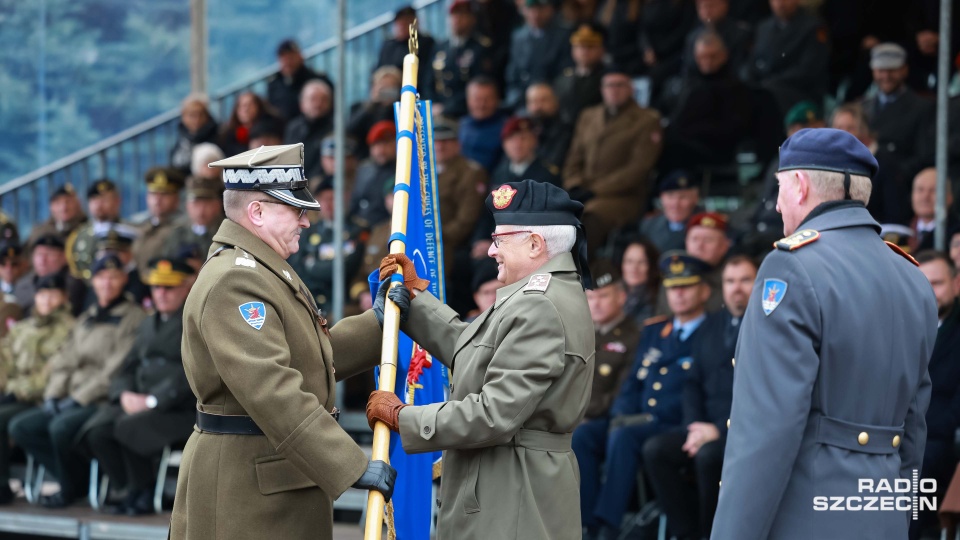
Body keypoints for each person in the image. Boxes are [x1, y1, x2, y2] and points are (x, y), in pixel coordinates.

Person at [712, 128, 939, 539]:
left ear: (799, 186)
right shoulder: (913, 277)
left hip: (805, 519)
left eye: (779, 189)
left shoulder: (791, 267)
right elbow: (914, 429)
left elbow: (766, 431)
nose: (777, 204)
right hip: (883, 518)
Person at [170, 143, 396, 539]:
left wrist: (379, 325)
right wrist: (350, 464)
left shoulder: (261, 269)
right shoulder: (235, 281)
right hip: (248, 494)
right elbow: (272, 389)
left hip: (270, 481)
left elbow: (309, 357)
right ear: (256, 212)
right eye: (295, 210)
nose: (306, 222)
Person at [366, 179, 595, 539]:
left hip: (512, 495)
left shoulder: (540, 305)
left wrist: (405, 417)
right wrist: (416, 302)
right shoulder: (540, 295)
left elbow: (494, 413)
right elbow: (478, 353)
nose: (491, 251)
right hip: (507, 485)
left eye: (499, 240)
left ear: (535, 244)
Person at [586, 251, 712, 539]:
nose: (677, 295)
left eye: (686, 287)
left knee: (625, 436)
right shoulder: (655, 330)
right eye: (672, 287)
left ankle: (608, 524)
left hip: (675, 424)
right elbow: (632, 383)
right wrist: (620, 415)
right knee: (585, 435)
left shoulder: (712, 331)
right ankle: (583, 522)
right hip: (637, 420)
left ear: (704, 290)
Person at [10, 253, 146, 508]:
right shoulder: (87, 318)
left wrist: (76, 399)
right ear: (93, 282)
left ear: (124, 280)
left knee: (60, 428)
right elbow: (64, 362)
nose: (107, 283)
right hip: (69, 398)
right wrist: (52, 395)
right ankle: (75, 478)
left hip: (100, 399)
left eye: (113, 277)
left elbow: (114, 370)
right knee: (22, 427)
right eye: (101, 277)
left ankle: (69, 486)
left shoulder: (134, 317)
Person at [643, 255, 757, 540]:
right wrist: (694, 425)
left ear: (759, 283)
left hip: (745, 430)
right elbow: (692, 383)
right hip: (705, 427)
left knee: (708, 458)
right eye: (730, 281)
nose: (737, 288)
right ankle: (686, 533)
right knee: (655, 450)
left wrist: (718, 428)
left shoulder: (766, 326)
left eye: (745, 280)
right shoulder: (711, 326)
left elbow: (758, 392)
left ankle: (711, 534)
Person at [80, 257, 196, 516]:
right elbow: (129, 365)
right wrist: (123, 394)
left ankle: (144, 491)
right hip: (142, 401)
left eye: (169, 288)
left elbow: (192, 372)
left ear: (186, 288)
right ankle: (130, 488)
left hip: (178, 409)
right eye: (156, 288)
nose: (161, 294)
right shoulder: (147, 323)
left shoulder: (194, 321)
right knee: (96, 430)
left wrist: (153, 400)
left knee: (128, 427)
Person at [563, 65, 663, 256]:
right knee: (548, 213)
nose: (614, 90)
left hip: (623, 197)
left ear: (631, 89)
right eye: (609, 85)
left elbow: (638, 168)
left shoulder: (647, 120)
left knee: (588, 217)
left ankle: (576, 273)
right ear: (602, 89)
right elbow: (573, 157)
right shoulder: (588, 116)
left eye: (620, 85)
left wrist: (594, 190)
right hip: (583, 192)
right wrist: (574, 184)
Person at [0, 273, 75, 504]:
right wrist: (7, 386)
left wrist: (17, 388)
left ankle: (2, 485)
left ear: (64, 297)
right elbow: (4, 360)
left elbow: (53, 373)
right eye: (42, 294)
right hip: (16, 395)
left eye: (53, 294)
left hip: (44, 399)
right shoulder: (22, 328)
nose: (47, 300)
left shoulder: (71, 328)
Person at [912, 250, 960, 539]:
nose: (930, 292)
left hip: (939, 442)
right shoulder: (896, 325)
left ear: (955, 284)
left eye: (938, 283)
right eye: (923, 283)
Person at [861, 43, 936, 182]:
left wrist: (894, 174)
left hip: (899, 184)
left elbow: (924, 155)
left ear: (904, 70)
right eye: (881, 70)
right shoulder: (863, 106)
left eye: (892, 70)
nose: (886, 76)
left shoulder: (923, 107)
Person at [742, 0, 829, 114]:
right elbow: (753, 61)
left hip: (798, 92)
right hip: (765, 86)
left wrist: (771, 82)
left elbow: (808, 69)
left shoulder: (813, 27)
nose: (780, 3)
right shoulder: (763, 26)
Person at [432, 0, 495, 119]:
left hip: (465, 112)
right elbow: (429, 80)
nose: (457, 19)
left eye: (462, 15)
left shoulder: (480, 48)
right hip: (437, 110)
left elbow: (479, 84)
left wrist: (447, 108)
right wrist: (432, 103)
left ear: (472, 19)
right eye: (454, 15)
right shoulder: (440, 47)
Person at [504, 0, 572, 109]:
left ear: (550, 9)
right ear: (523, 11)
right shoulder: (518, 37)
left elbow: (565, 72)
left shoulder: (563, 36)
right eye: (531, 9)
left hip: (551, 98)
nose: (535, 14)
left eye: (540, 9)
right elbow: (513, 73)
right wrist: (516, 97)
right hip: (523, 99)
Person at [132, 167, 186, 280]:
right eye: (153, 194)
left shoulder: (184, 228)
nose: (157, 200)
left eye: (164, 194)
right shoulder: (140, 226)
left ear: (176, 199)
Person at [66, 179, 123, 282]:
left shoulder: (130, 232)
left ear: (117, 201)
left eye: (105, 199)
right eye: (94, 199)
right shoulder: (79, 235)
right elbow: (76, 269)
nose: (99, 204)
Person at [162, 175, 225, 265]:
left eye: (207, 203)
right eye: (196, 203)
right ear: (187, 206)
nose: (201, 210)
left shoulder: (225, 233)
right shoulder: (177, 234)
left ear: (218, 205)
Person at [267, 39, 334, 122]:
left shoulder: (317, 79)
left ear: (300, 57)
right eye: (284, 58)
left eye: (291, 57)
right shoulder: (274, 85)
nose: (287, 62)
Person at [553, 23, 606, 126]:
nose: (585, 51)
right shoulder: (563, 77)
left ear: (601, 50)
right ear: (573, 50)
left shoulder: (607, 77)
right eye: (580, 47)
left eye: (590, 47)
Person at [641, 170, 702, 254]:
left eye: (683, 197)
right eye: (670, 197)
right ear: (662, 198)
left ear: (695, 199)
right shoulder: (649, 226)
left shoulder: (705, 226)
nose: (675, 204)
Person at [283, 79, 334, 178]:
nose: (318, 104)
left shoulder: (335, 129)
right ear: (302, 104)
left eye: (323, 100)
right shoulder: (293, 128)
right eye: (313, 99)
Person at [169, 95, 219, 175]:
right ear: (183, 117)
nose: (197, 119)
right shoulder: (182, 138)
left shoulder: (218, 135)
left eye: (200, 114)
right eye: (192, 115)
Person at [619, 236, 661, 323]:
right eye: (629, 261)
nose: (634, 268)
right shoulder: (613, 292)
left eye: (642, 262)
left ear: (652, 266)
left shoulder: (659, 299)